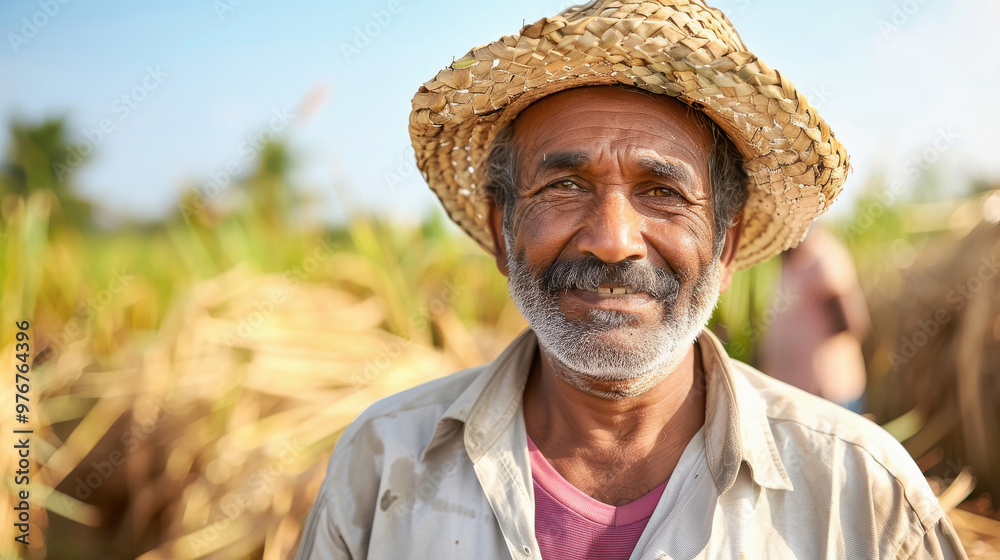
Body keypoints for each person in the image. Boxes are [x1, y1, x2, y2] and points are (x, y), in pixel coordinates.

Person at [297, 1, 967, 558]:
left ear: (725, 245)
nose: (613, 241)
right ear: (504, 231)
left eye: (662, 191)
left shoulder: (858, 493)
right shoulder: (383, 465)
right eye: (563, 185)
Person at [760, 225, 872, 412]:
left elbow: (852, 323)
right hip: (799, 399)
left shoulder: (822, 258)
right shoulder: (791, 259)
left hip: (829, 400)